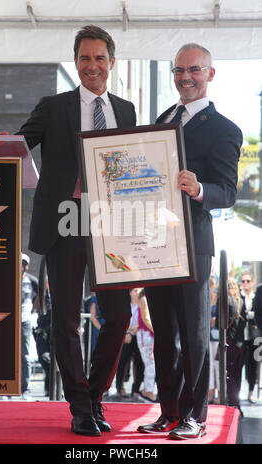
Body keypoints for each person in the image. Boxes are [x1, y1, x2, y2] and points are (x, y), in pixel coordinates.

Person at [0, 25, 136, 437]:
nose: (92, 65)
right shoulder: (54, 105)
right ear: (76, 62)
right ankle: (80, 408)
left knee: (118, 316)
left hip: (110, 225)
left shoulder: (127, 109)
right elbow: (18, 144)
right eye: (85, 58)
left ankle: (95, 395)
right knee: (65, 320)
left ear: (111, 63)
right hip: (65, 221)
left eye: (100, 58)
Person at [137, 43, 242, 440]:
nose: (185, 77)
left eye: (194, 70)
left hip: (193, 245)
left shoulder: (226, 129)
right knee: (163, 334)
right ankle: (168, 412)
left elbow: (228, 192)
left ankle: (195, 415)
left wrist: (199, 188)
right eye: (179, 70)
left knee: (195, 334)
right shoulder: (162, 118)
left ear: (210, 74)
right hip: (154, 242)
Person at [216, 277, 245, 414]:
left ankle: (233, 405)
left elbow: (219, 324)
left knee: (229, 375)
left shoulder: (224, 300)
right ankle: (237, 404)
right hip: (240, 343)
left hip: (229, 342)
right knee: (237, 374)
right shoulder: (241, 301)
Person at [115, 288, 144, 400]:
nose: (137, 293)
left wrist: (131, 332)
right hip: (126, 337)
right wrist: (128, 332)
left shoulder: (142, 304)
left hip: (138, 337)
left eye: (138, 291)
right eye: (135, 291)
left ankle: (135, 390)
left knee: (139, 364)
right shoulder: (126, 306)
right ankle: (120, 389)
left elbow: (143, 321)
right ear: (130, 293)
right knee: (122, 363)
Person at [240, 271, 259, 403]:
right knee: (240, 364)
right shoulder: (239, 297)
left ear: (252, 282)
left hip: (256, 336)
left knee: (254, 365)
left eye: (247, 281)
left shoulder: (256, 297)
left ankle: (251, 392)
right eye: (243, 281)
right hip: (241, 336)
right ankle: (237, 393)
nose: (245, 283)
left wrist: (252, 315)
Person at [21, 253, 38, 400]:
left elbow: (41, 294)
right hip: (8, 320)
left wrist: (33, 309)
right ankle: (7, 387)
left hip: (25, 320)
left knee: (25, 355)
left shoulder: (31, 281)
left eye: (24, 263)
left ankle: (25, 388)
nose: (22, 266)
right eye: (20, 263)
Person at [136, 288, 156, 402]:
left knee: (151, 363)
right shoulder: (144, 299)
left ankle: (147, 390)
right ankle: (148, 391)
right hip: (145, 334)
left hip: (148, 334)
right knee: (150, 363)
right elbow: (146, 318)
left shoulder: (145, 299)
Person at [209, 276, 219, 404]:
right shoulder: (204, 298)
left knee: (217, 364)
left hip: (216, 336)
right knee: (209, 364)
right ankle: (210, 391)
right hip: (207, 336)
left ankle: (219, 392)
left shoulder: (217, 298)